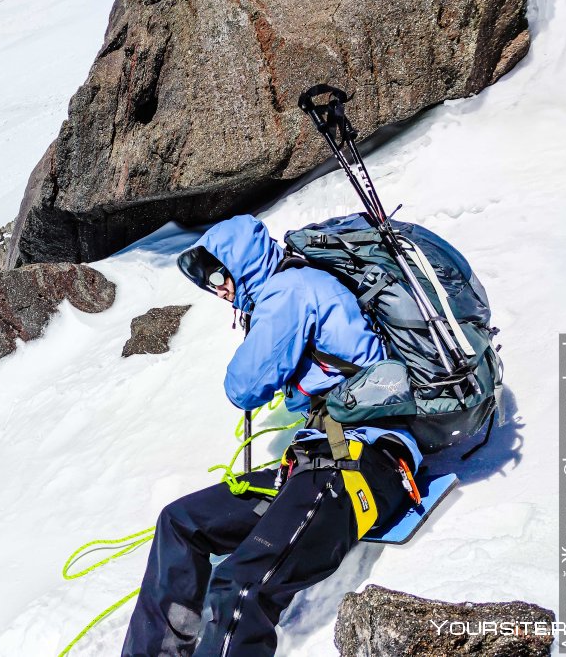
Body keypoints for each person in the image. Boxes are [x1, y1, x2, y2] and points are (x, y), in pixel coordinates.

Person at [120, 214, 422, 657]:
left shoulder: (289, 291)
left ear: (243, 262)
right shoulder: (286, 291)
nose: (219, 288)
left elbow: (243, 386)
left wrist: (257, 328)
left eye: (220, 273)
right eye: (209, 282)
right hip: (319, 461)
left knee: (242, 585)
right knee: (181, 522)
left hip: (363, 464)